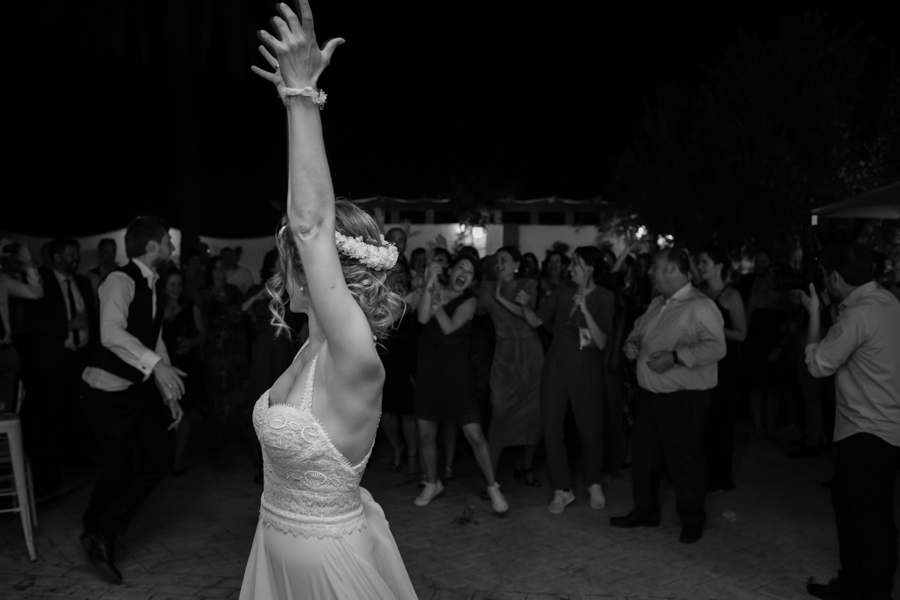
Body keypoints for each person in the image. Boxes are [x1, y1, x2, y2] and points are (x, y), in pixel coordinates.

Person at [241, 4, 416, 597]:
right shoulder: (311, 345)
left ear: (322, 274)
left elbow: (311, 224)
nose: (282, 270)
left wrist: (299, 95)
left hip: (330, 575)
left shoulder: (351, 356)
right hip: (274, 554)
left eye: (292, 259)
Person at [79, 216, 186, 583]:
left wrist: (167, 386)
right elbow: (110, 333)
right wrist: (156, 368)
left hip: (136, 391)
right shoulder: (119, 280)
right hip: (106, 392)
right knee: (119, 472)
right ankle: (96, 531)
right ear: (152, 247)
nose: (172, 247)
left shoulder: (152, 283)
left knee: (160, 456)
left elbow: (153, 339)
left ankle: (101, 529)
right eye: (168, 242)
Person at [800, 243, 900, 600]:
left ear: (837, 277)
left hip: (867, 429)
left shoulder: (857, 317)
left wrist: (813, 313)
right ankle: (855, 582)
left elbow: (818, 365)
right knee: (853, 509)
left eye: (827, 275)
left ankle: (873, 591)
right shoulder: (888, 302)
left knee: (868, 518)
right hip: (885, 425)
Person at [610, 248, 725, 544]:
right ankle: (645, 510)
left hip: (683, 397)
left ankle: (692, 518)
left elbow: (716, 348)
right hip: (651, 395)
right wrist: (633, 343)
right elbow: (638, 329)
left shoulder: (700, 306)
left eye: (656, 268)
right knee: (644, 455)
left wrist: (676, 357)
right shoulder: (659, 302)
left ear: (673, 270)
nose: (650, 273)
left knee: (684, 459)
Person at [519, 247, 615, 514]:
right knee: (552, 429)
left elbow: (602, 340)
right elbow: (537, 320)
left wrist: (584, 307)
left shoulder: (605, 297)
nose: (570, 268)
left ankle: (594, 482)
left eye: (575, 263)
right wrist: (525, 305)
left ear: (590, 269)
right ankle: (562, 489)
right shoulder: (562, 291)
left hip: (587, 368)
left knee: (590, 430)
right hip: (556, 366)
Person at [413, 255, 509, 513]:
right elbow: (422, 319)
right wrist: (430, 282)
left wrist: (435, 301)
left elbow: (447, 327)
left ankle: (493, 487)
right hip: (429, 369)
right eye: (460, 268)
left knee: (474, 434)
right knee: (425, 433)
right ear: (451, 270)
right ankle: (432, 483)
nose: (463, 273)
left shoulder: (470, 301)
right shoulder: (435, 289)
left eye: (469, 271)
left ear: (472, 281)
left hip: (456, 374)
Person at [22, 238, 98, 494]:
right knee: (49, 417)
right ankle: (49, 474)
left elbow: (93, 321)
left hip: (80, 357)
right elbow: (31, 323)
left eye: (76, 254)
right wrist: (67, 326)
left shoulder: (84, 283)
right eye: (69, 254)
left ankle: (79, 459)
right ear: (56, 258)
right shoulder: (40, 282)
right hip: (52, 359)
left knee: (79, 410)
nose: (75, 258)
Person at [481, 247, 544, 486]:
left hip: (530, 354)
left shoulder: (528, 285)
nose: (499, 264)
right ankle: (491, 477)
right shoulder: (488, 288)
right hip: (505, 357)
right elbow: (474, 308)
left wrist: (500, 299)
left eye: (505, 260)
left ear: (516, 264)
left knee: (535, 414)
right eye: (497, 261)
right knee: (500, 412)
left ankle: (525, 465)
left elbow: (526, 314)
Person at [696, 245, 746, 492]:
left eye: (704, 262)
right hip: (702, 362)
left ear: (718, 267)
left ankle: (720, 476)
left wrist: (714, 329)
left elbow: (742, 333)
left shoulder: (731, 295)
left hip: (725, 365)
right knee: (703, 419)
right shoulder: (699, 292)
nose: (700, 267)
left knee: (722, 420)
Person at [160, 268, 206, 474]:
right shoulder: (156, 307)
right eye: (172, 284)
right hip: (163, 362)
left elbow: (203, 336)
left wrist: (191, 342)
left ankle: (177, 460)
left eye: (179, 284)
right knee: (164, 411)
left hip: (186, 364)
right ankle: (162, 456)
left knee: (185, 410)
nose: (176, 289)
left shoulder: (190, 307)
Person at [199, 256, 249, 439]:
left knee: (236, 386)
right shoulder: (204, 293)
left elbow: (241, 315)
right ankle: (218, 432)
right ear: (210, 271)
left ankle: (237, 431)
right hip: (215, 347)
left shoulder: (233, 291)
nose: (220, 271)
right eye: (216, 267)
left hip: (234, 346)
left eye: (222, 267)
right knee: (217, 389)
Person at [0, 240, 43, 413]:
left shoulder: (3, 281)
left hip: (6, 352)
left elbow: (36, 293)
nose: (13, 256)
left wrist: (27, 263)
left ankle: (4, 440)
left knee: (6, 413)